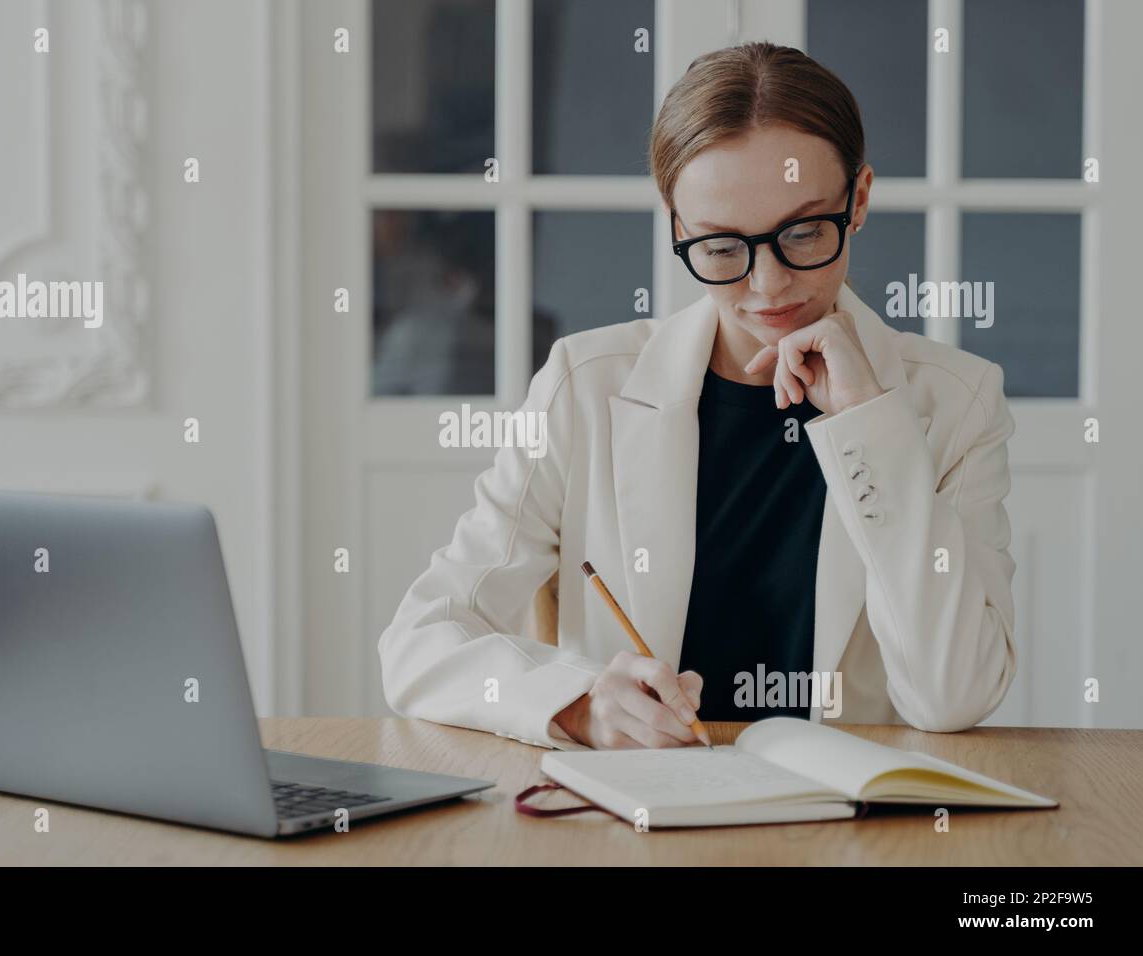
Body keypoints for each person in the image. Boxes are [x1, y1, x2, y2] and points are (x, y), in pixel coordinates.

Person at [378, 42, 1018, 750]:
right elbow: (420, 641)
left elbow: (953, 695)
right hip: (640, 821)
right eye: (720, 246)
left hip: (850, 830)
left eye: (804, 232)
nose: (769, 286)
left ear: (859, 200)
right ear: (676, 223)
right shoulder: (585, 385)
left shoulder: (956, 403)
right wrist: (578, 702)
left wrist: (871, 425)